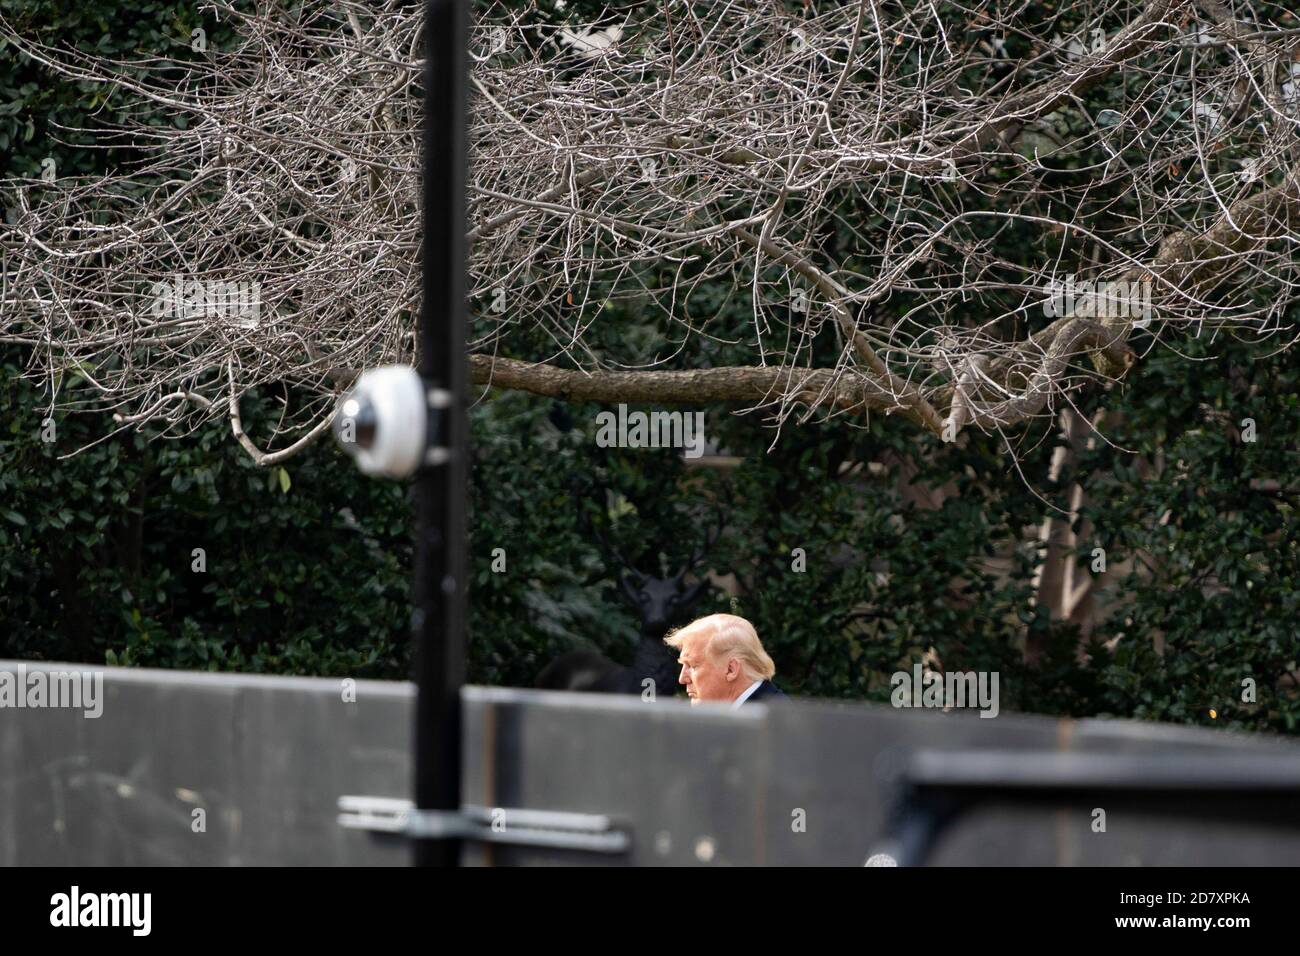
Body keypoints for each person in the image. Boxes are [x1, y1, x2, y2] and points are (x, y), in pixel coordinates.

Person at [664, 613, 788, 707]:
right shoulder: (756, 716)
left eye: (692, 666)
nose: (682, 679)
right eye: (683, 665)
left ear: (731, 670)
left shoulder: (774, 726)